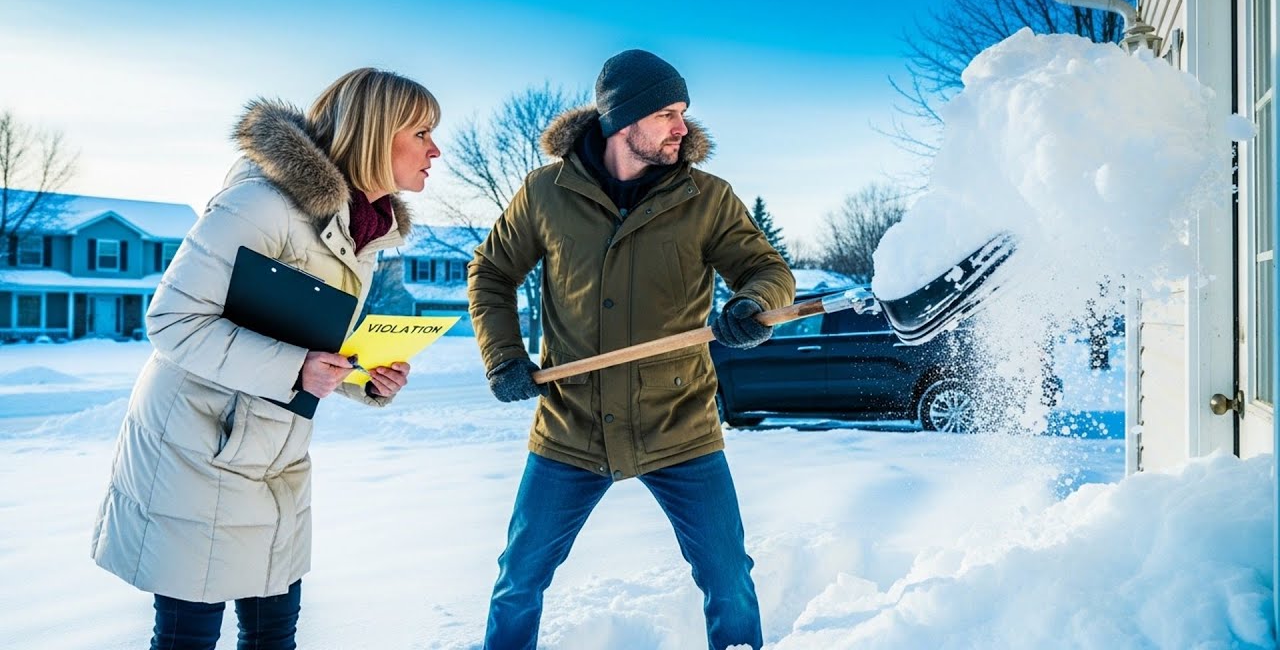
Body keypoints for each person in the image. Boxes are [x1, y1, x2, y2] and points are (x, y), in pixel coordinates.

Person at [90, 67, 440, 649]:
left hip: (276, 452)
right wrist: (295, 368)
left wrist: (365, 378)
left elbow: (306, 334)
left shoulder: (361, 230)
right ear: (377, 133)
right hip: (196, 447)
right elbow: (172, 321)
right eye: (422, 131)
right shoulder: (261, 202)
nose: (435, 149)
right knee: (188, 639)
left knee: (275, 634)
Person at [468, 49, 795, 650]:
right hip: (570, 424)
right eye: (668, 113)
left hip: (680, 423)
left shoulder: (707, 197)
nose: (682, 128)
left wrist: (754, 307)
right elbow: (490, 271)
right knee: (519, 581)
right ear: (624, 119)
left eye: (683, 113)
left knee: (728, 580)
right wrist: (503, 355)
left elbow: (765, 269)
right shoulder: (546, 193)